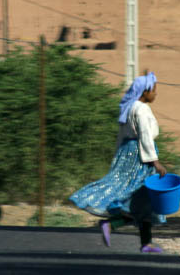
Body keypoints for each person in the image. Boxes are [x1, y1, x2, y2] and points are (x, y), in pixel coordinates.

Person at [69, 71, 167, 253]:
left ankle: (138, 238)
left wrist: (118, 158)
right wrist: (155, 162)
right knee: (144, 199)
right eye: (153, 90)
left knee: (139, 200)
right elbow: (145, 137)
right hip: (141, 158)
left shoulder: (129, 108)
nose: (155, 93)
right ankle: (134, 236)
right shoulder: (142, 109)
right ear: (144, 92)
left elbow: (121, 138)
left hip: (128, 154)